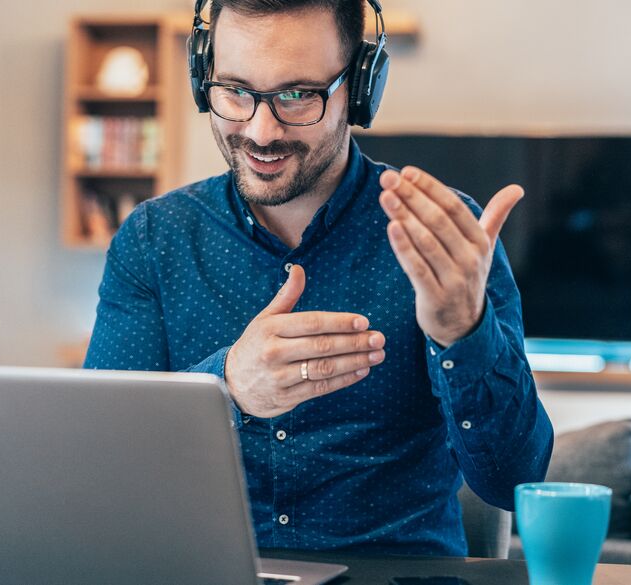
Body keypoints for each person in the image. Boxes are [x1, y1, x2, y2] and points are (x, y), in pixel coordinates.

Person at [84, 0, 553, 556]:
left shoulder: (450, 239)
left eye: (296, 95)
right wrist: (226, 388)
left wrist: (463, 330)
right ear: (201, 77)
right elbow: (102, 467)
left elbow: (514, 482)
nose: (260, 131)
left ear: (359, 87)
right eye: (234, 90)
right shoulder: (152, 239)